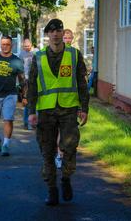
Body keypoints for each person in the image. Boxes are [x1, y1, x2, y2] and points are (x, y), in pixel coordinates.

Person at [27, 19, 89, 206]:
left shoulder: (74, 55)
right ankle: (52, 189)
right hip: (46, 111)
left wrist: (84, 108)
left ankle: (66, 179)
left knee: (69, 147)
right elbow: (31, 86)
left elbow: (82, 83)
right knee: (47, 150)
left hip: (69, 109)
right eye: (51, 31)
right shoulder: (38, 57)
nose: (55, 34)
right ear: (47, 35)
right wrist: (31, 111)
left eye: (58, 30)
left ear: (63, 33)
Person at [54, 28, 76, 169]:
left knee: (67, 131)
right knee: (57, 130)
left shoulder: (74, 54)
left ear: (72, 39)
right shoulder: (56, 54)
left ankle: (63, 154)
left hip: (70, 98)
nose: (67, 40)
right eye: (65, 38)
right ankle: (58, 155)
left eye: (69, 38)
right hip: (55, 98)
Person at [19, 38, 34, 130]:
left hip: (35, 79)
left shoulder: (36, 52)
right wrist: (21, 81)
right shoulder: (21, 54)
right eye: (25, 46)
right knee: (27, 101)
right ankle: (26, 122)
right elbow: (20, 67)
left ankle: (33, 122)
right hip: (26, 80)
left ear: (31, 45)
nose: (26, 48)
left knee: (34, 101)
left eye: (28, 46)